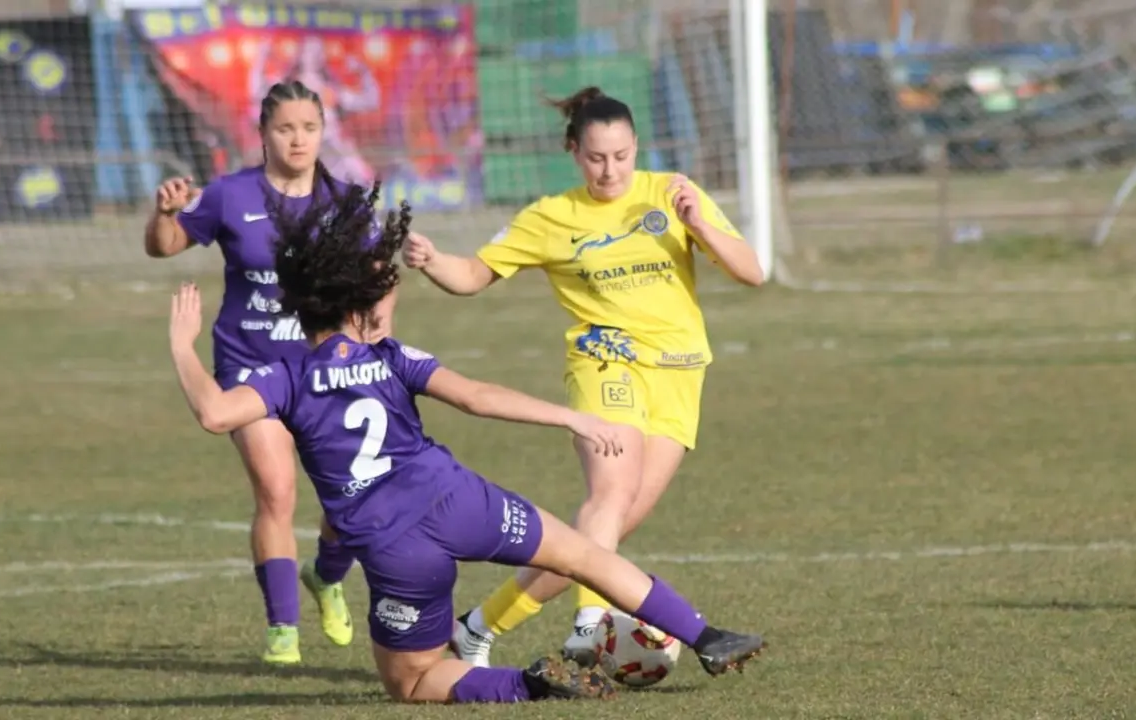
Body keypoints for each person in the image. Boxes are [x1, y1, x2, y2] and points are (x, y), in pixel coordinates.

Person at [164, 180, 766, 704]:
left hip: (398, 548)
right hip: (459, 500)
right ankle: (708, 638)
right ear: (356, 299)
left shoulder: (285, 375)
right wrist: (572, 418)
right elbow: (478, 396)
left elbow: (216, 414)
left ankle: (528, 684)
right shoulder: (392, 356)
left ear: (297, 305)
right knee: (586, 554)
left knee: (413, 681)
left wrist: (182, 347)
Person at [401, 86, 766, 668]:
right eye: (596, 157)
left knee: (607, 530)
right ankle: (591, 623)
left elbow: (752, 272)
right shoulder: (552, 217)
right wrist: (431, 260)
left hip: (678, 374)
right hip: (605, 365)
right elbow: (471, 274)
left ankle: (478, 627)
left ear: (636, 147)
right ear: (574, 151)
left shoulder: (672, 193)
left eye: (622, 155)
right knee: (610, 494)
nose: (611, 169)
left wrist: (700, 223)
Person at [143, 80, 360, 665]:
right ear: (263, 133)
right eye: (285, 128)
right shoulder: (228, 194)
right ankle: (282, 628)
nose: (298, 139)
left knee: (350, 499)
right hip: (250, 363)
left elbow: (372, 286)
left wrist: (370, 339)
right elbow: (164, 247)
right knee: (276, 489)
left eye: (309, 128)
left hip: (320, 367)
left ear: (322, 132)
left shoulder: (346, 203)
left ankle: (327, 576)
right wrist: (163, 214)